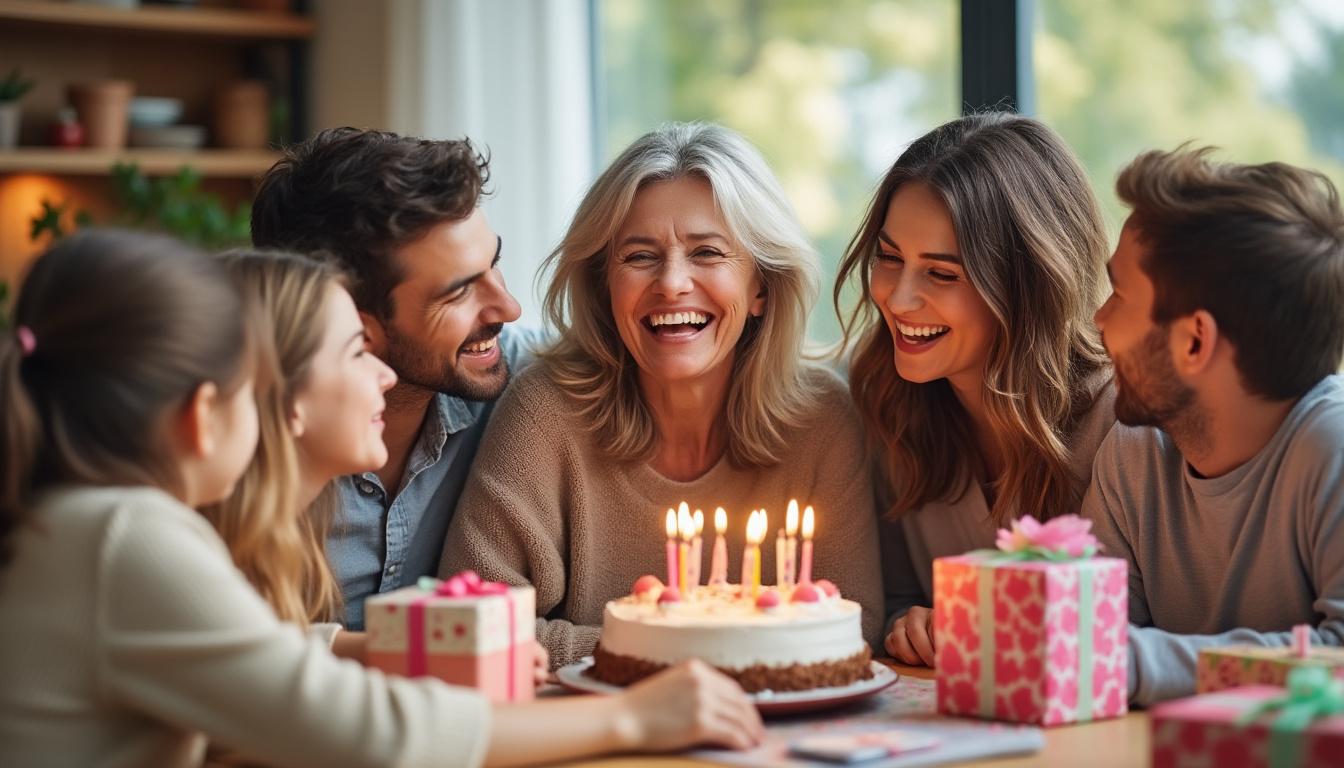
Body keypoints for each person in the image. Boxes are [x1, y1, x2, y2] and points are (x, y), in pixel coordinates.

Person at [0, 232, 763, 768]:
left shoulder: (81, 524)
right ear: (203, 416)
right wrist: (632, 717)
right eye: (248, 394)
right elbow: (363, 735)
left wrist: (363, 647)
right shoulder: (126, 535)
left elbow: (252, 659)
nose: (385, 379)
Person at [441, 122, 884, 668]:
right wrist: (689, 655)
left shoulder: (822, 417)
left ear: (762, 288)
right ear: (606, 286)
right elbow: (469, 627)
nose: (672, 283)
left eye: (707, 253)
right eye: (639, 257)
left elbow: (854, 624)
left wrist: (650, 648)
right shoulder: (545, 411)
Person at [832, 113, 1116, 667]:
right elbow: (896, 601)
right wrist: (909, 623)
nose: (899, 298)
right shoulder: (885, 402)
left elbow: (1126, 635)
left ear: (1029, 285)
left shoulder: (1120, 424)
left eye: (941, 274)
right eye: (890, 259)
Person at [1083, 147, 1344, 705]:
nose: (1099, 321)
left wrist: (1137, 663)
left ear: (1195, 341)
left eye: (1120, 296)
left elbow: (1341, 660)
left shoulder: (1333, 451)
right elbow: (1086, 640)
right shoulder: (1133, 454)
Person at [251, 128, 538, 630]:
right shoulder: (239, 451)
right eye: (458, 294)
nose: (508, 308)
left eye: (494, 263)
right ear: (353, 322)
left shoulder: (522, 376)